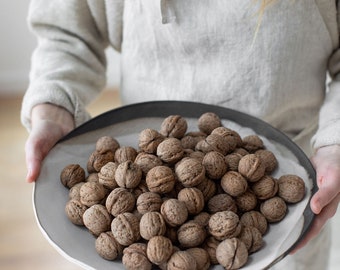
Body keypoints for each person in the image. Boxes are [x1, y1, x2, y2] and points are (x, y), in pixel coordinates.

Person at [21, 0, 340, 269]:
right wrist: (53, 105)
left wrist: (335, 142)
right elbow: (67, 32)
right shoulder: (133, 191)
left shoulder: (259, 188)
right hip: (145, 141)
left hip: (296, 174)